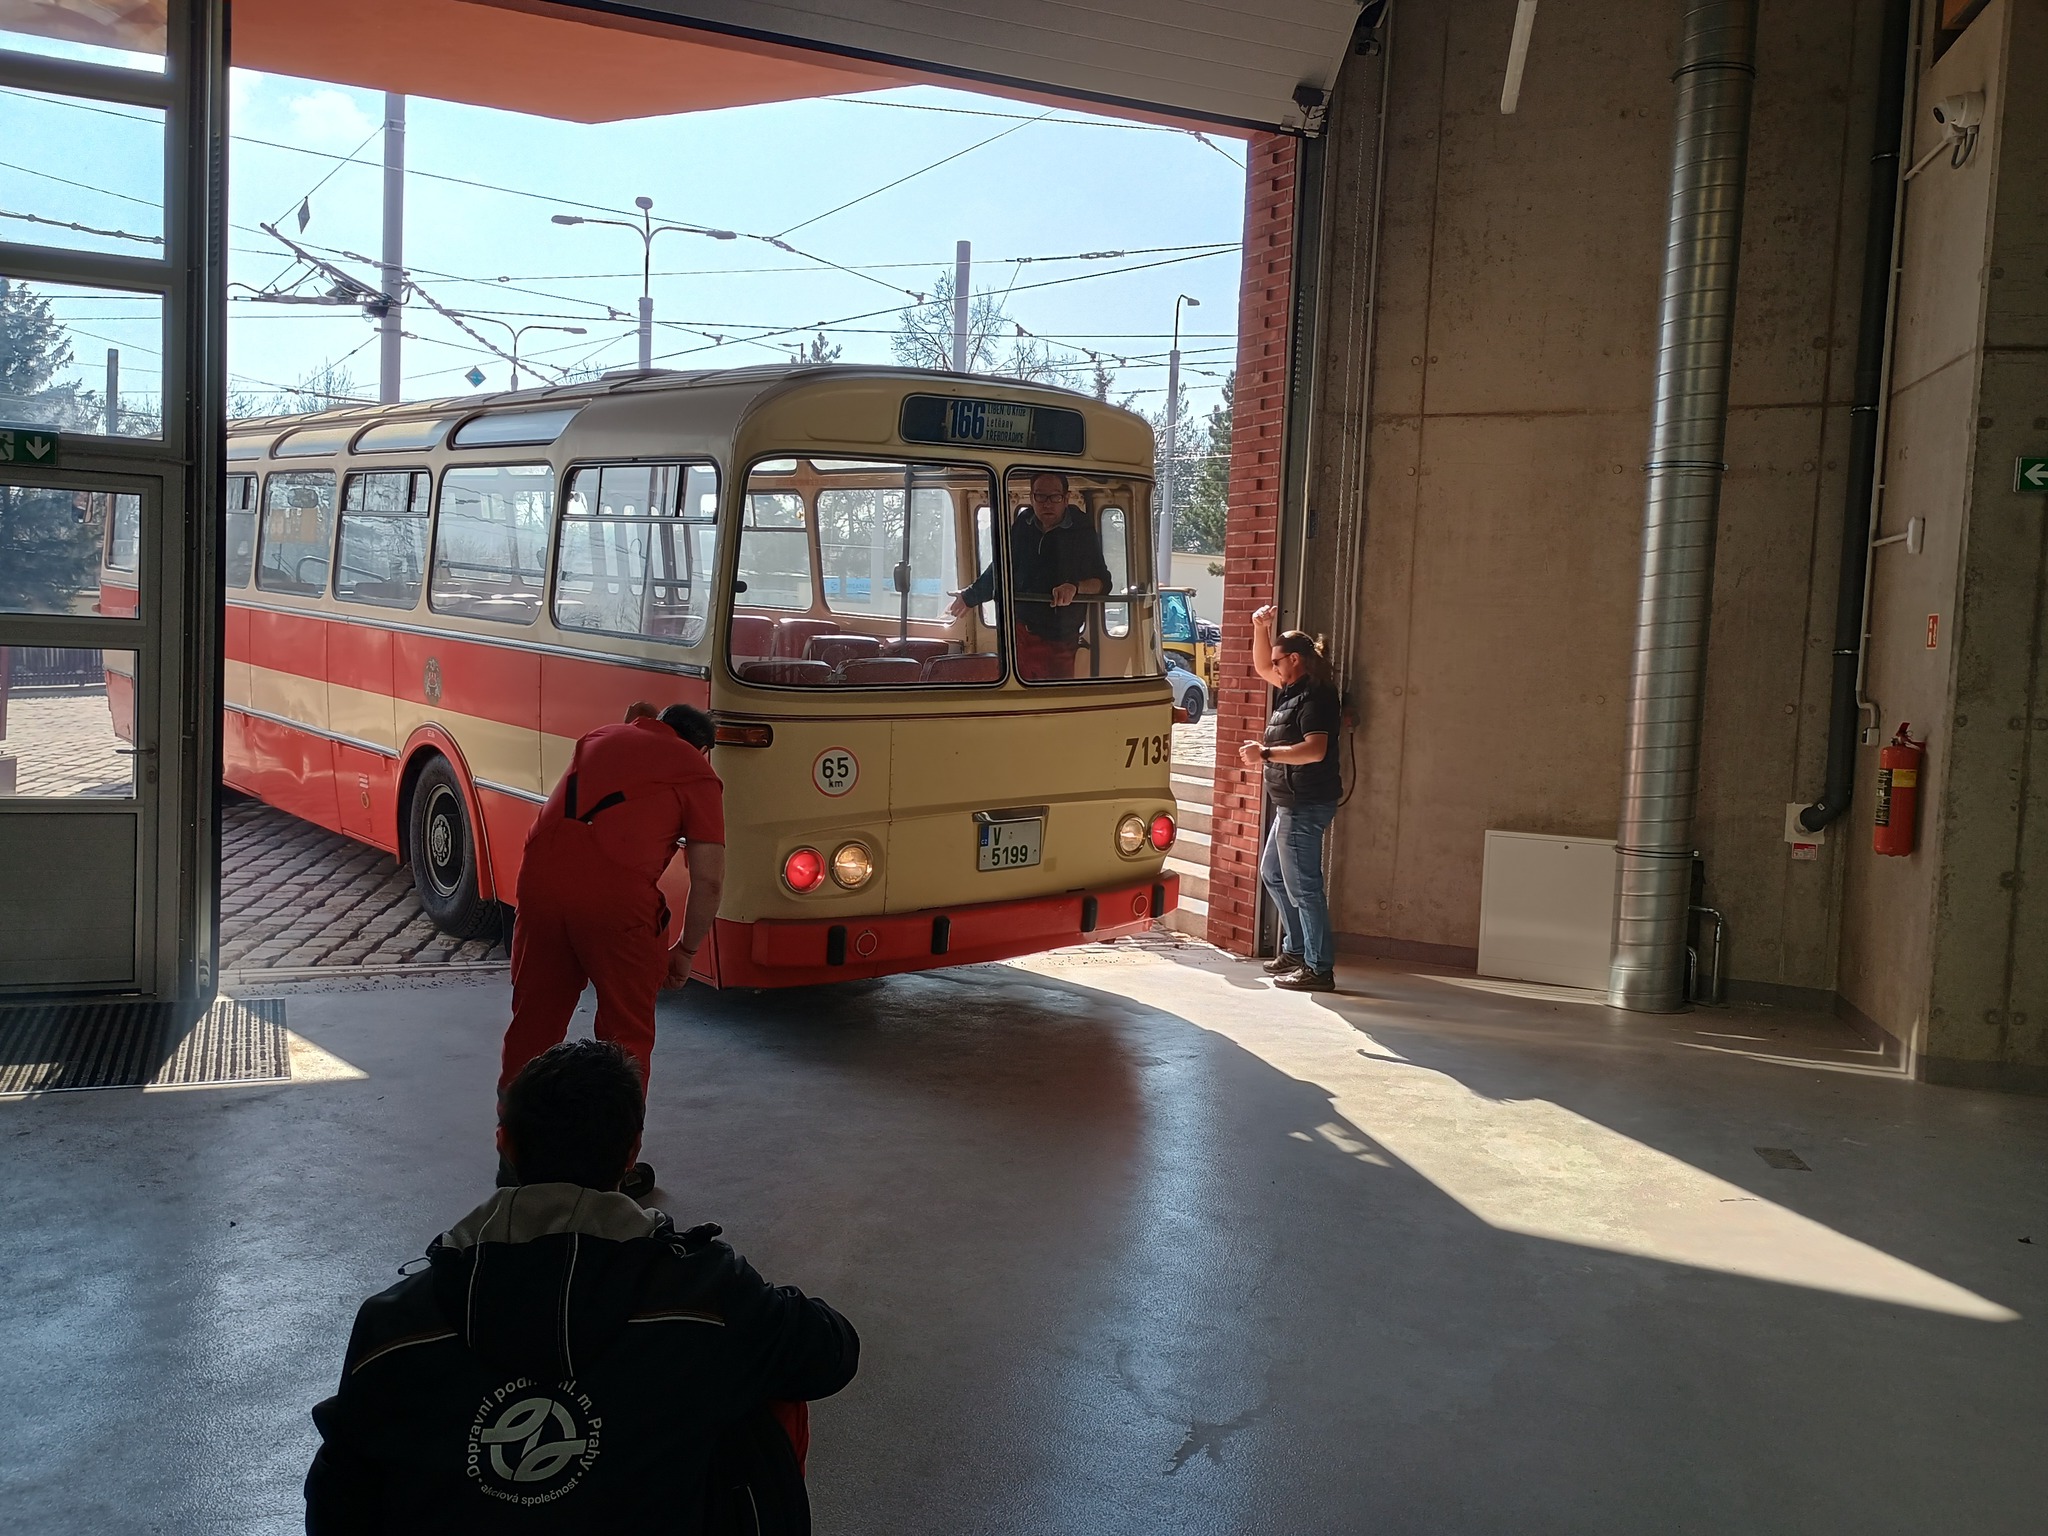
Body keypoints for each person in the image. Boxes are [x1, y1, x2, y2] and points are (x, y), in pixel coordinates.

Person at [305, 1039, 859, 1535]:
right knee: (764, 1379)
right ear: (632, 1151)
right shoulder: (706, 1295)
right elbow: (831, 1354)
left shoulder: (394, 1324)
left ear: (505, 1143)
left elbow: (336, 1499)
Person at [500, 700, 725, 1198]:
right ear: (702, 749)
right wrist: (686, 951)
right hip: (616, 902)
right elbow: (709, 881)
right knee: (626, 1036)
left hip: (539, 880)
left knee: (534, 1020)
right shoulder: (697, 772)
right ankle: (613, 1170)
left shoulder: (600, 737)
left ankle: (514, 1155)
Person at [1237, 606, 1344, 993]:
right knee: (1274, 875)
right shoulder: (1294, 688)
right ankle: (1297, 950)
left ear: (1295, 659)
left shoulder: (1315, 696)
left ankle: (1318, 966)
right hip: (1292, 803)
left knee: (1304, 888)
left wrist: (1265, 753)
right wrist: (1260, 628)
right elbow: (1262, 665)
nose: (1274, 668)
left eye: (1279, 660)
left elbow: (1315, 750)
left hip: (1306, 804)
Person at [949, 470, 1113, 681]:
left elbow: (1103, 583)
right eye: (1040, 496)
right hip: (1019, 633)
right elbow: (1002, 568)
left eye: (1055, 497)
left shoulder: (1082, 531)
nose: (1047, 504)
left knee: (1053, 697)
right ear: (1031, 497)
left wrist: (1074, 587)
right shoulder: (1023, 524)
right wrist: (969, 596)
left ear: (1066, 498)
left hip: (1059, 640)